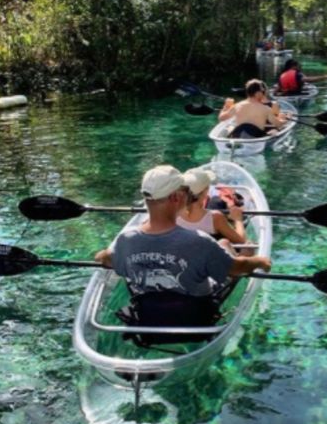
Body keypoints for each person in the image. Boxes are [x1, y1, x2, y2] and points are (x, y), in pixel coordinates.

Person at [94, 165, 271, 300]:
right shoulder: (200, 241)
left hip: (148, 315)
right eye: (186, 191)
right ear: (177, 197)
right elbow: (236, 268)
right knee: (232, 248)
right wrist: (260, 261)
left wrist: (107, 254)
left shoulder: (125, 240)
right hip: (196, 315)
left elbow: (103, 259)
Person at [177, 168, 248, 254]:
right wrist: (238, 219)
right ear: (206, 190)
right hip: (206, 260)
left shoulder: (172, 213)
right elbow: (241, 242)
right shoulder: (215, 217)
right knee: (248, 248)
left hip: (183, 256)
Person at [218, 79, 289, 139]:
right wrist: (285, 119)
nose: (263, 92)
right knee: (274, 131)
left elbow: (221, 118)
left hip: (237, 136)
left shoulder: (237, 106)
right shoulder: (265, 109)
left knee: (231, 127)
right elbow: (278, 124)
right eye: (262, 91)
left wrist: (226, 106)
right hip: (254, 137)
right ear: (257, 93)